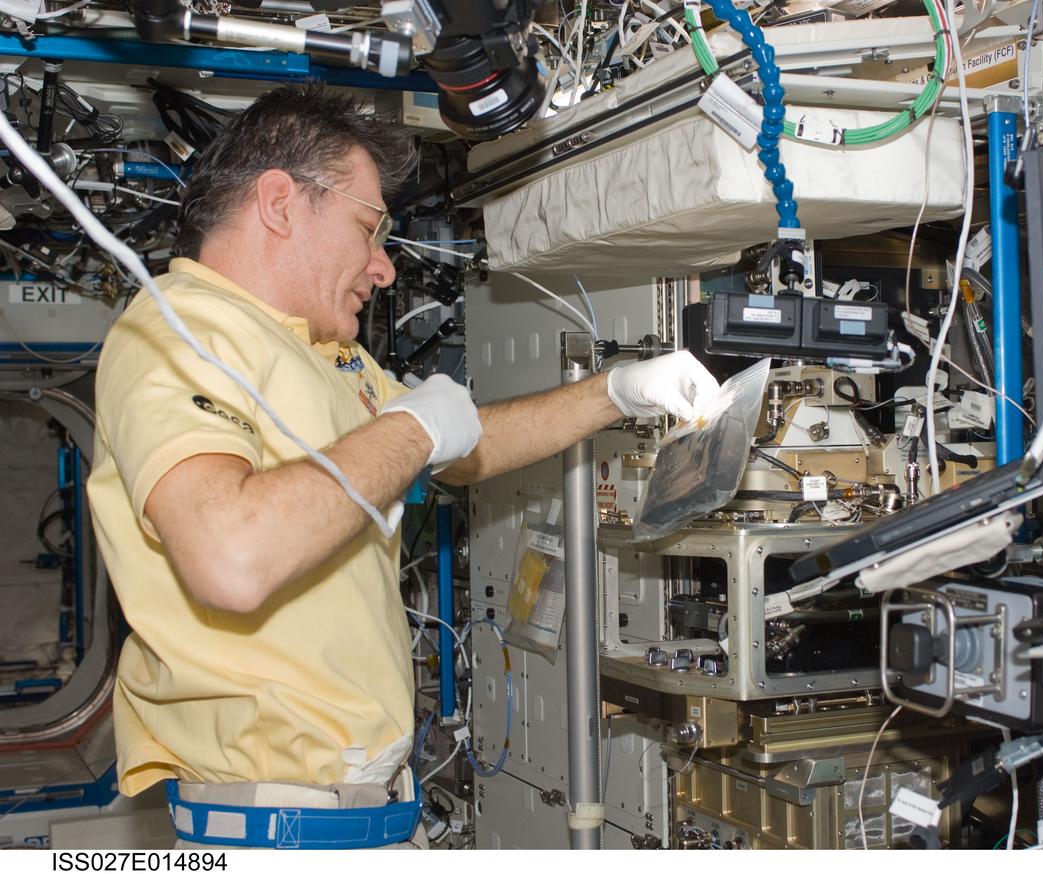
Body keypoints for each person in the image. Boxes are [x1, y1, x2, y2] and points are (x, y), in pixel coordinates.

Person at [85, 85, 718, 849]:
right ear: (281, 203)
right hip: (274, 833)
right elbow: (232, 555)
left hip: (369, 815)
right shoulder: (175, 335)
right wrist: (413, 427)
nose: (384, 269)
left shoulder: (326, 353)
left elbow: (465, 444)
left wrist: (618, 391)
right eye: (369, 229)